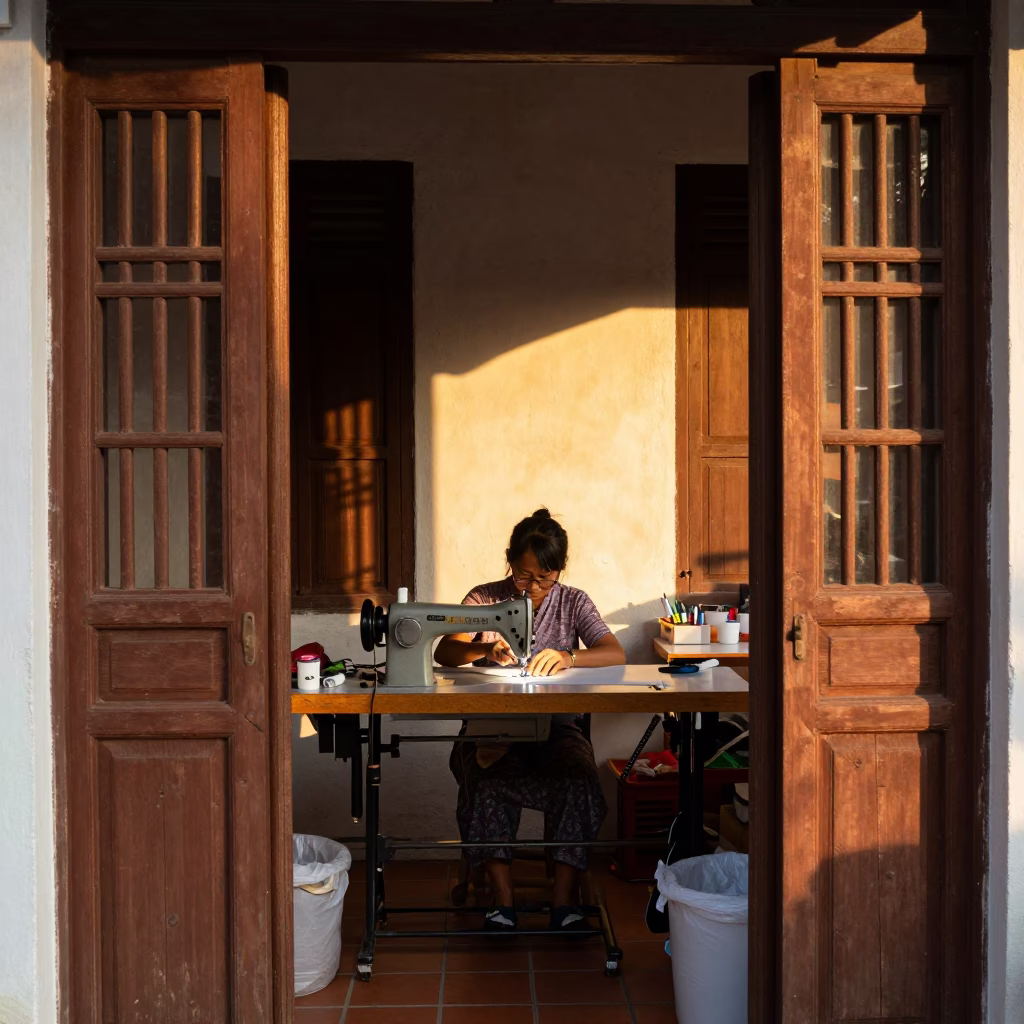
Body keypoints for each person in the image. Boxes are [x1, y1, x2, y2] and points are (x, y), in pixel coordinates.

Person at [435, 508, 626, 932]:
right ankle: (503, 904)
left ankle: (563, 903)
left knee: (579, 780)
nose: (534, 587)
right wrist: (483, 650)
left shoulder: (574, 601)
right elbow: (445, 651)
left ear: (560, 570)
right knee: (485, 783)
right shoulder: (485, 599)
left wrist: (569, 656)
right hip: (492, 730)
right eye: (524, 576)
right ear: (509, 562)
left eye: (545, 577)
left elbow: (615, 653)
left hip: (557, 729)